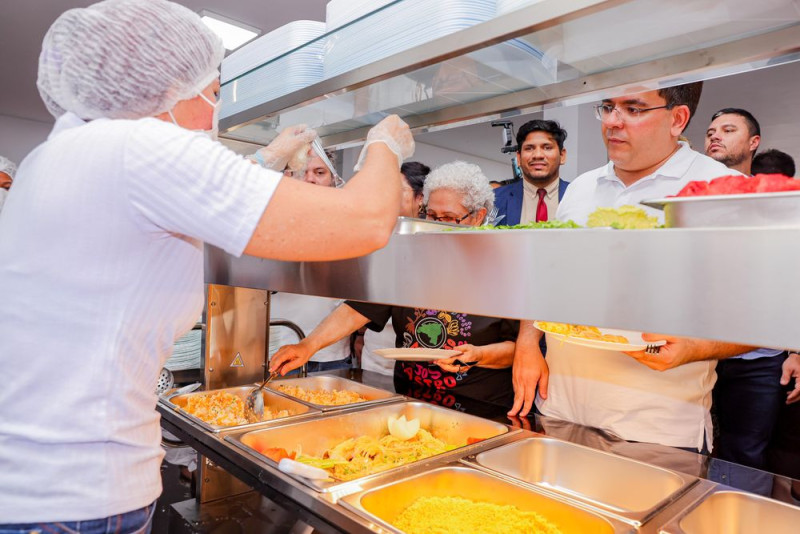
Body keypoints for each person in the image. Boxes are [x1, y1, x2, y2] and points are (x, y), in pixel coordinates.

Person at [0, 0, 414, 530]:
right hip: (77, 494)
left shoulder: (58, 154)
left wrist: (264, 162)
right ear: (165, 87)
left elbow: (177, 206)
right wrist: (384, 146)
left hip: (36, 479)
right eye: (213, 93)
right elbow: (365, 223)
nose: (211, 113)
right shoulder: (140, 148)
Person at [510, 82, 754, 453]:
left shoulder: (725, 189)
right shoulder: (582, 187)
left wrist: (693, 347)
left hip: (656, 427)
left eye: (633, 109)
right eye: (607, 107)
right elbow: (547, 273)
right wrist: (528, 342)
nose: (612, 121)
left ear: (678, 119)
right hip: (558, 409)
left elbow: (767, 313)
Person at [271, 161, 519, 407]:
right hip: (411, 398)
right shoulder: (411, 258)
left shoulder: (500, 268)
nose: (438, 225)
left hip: (477, 404)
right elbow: (360, 309)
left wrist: (478, 355)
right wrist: (307, 345)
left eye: (450, 218)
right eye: (432, 216)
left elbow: (515, 348)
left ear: (478, 217)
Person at [268, 143, 352, 373]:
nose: (311, 179)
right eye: (302, 172)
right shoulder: (270, 224)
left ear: (333, 179)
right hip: (278, 349)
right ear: (289, 177)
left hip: (331, 353)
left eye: (319, 172)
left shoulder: (352, 227)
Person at [360, 161, 431, 377]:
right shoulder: (377, 232)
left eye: (397, 190)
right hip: (375, 346)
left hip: (416, 349)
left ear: (421, 197)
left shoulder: (432, 242)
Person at [493, 119, 569, 225]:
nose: (538, 155)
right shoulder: (494, 199)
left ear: (562, 156)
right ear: (518, 158)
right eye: (529, 148)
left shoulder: (578, 196)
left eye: (547, 148)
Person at [704, 107, 761, 175]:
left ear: (753, 143)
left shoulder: (767, 185)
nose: (714, 137)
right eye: (710, 134)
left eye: (728, 130)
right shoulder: (691, 184)